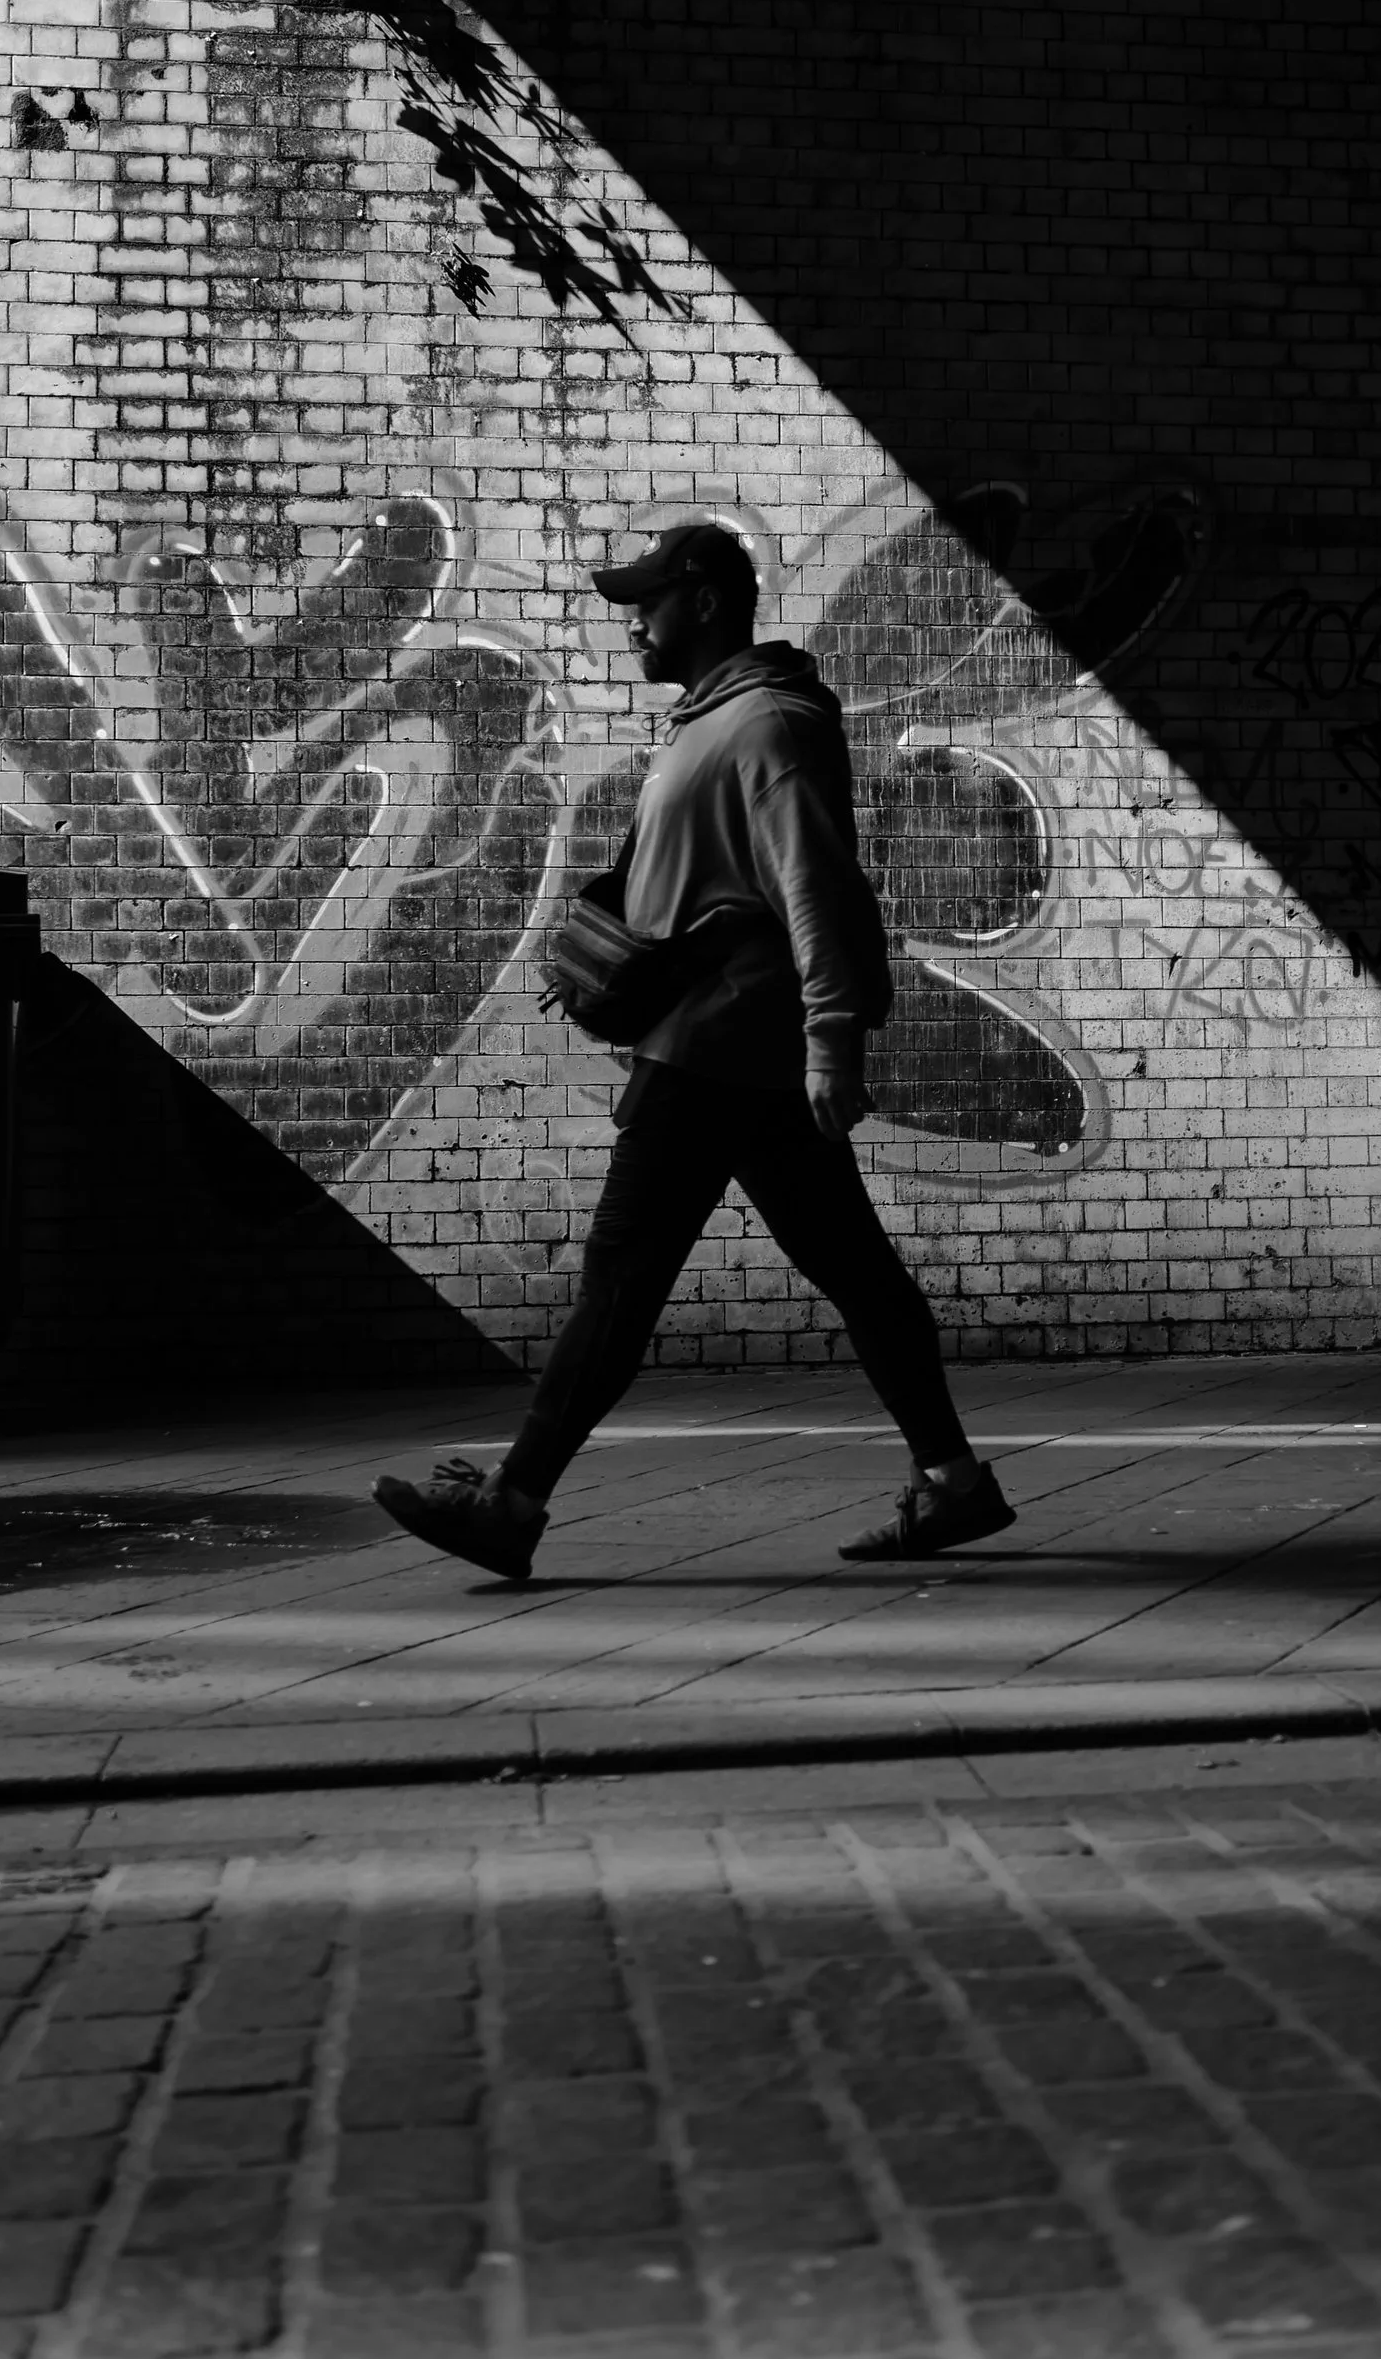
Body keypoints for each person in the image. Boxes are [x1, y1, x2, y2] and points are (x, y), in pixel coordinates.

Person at [373, 518, 1015, 1581]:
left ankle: (514, 1502)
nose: (635, 623)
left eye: (649, 602)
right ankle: (953, 1482)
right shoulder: (713, 721)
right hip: (726, 1047)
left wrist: (832, 1041)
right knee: (852, 1267)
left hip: (719, 1049)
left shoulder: (767, 724)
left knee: (622, 1276)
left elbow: (812, 886)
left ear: (706, 601)